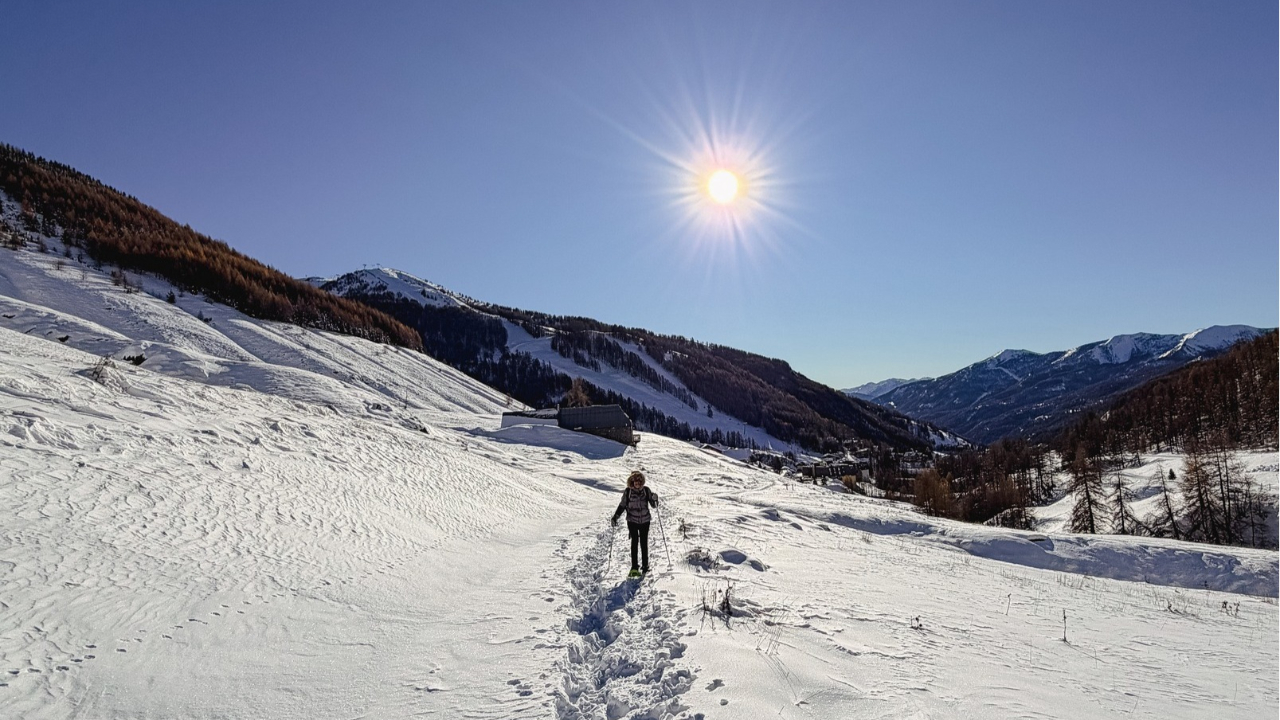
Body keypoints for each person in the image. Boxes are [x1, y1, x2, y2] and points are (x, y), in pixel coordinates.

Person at [612, 470, 658, 575]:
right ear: (632, 482)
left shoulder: (646, 490)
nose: (637, 483)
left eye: (639, 481)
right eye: (635, 481)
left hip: (645, 521)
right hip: (632, 521)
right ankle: (634, 567)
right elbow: (622, 505)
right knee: (634, 543)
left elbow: (653, 505)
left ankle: (645, 566)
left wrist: (655, 499)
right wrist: (615, 517)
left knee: (644, 543)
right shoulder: (628, 492)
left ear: (642, 482)